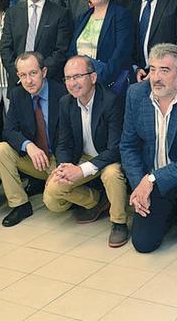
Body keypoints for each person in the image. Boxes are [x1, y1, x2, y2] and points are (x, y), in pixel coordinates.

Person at [120, 43, 177, 255]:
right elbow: (128, 146)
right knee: (143, 244)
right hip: (151, 180)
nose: (155, 77)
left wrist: (151, 179)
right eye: (152, 69)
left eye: (164, 70)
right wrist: (139, 186)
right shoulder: (135, 95)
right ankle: (171, 210)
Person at [51, 56, 129, 247]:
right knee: (52, 194)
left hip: (108, 157)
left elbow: (115, 149)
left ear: (93, 77)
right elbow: (63, 143)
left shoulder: (111, 101)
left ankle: (119, 222)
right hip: (84, 157)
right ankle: (97, 201)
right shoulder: (65, 102)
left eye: (77, 76)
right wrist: (64, 166)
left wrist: (81, 170)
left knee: (112, 174)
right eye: (67, 78)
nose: (72, 83)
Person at [0, 52, 68, 227]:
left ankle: (94, 199)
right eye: (23, 75)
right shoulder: (18, 94)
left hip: (61, 159)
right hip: (37, 159)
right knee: (1, 150)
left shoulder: (62, 93)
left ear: (44, 72)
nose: (28, 81)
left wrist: (60, 166)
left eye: (33, 73)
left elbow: (71, 137)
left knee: (56, 204)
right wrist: (29, 147)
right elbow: (8, 130)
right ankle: (20, 204)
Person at [0, 0, 72, 86]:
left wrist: (40, 75)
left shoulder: (60, 13)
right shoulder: (12, 13)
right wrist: (20, 74)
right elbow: (5, 48)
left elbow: (61, 51)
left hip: (48, 81)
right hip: (18, 83)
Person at [69, 0, 133, 93]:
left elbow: (122, 52)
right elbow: (72, 50)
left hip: (108, 83)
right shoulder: (83, 17)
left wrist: (103, 77)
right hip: (82, 84)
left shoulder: (121, 15)